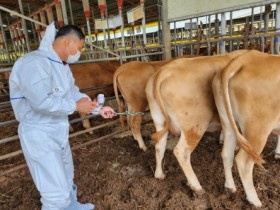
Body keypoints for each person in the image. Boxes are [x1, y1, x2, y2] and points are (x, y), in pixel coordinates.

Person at [9, 22, 116, 210]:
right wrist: (75, 106)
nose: (79, 53)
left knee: (66, 175)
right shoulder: (33, 63)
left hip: (58, 129)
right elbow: (41, 102)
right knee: (54, 188)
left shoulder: (61, 66)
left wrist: (95, 108)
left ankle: (71, 205)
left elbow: (72, 92)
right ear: (68, 43)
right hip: (39, 132)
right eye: (80, 48)